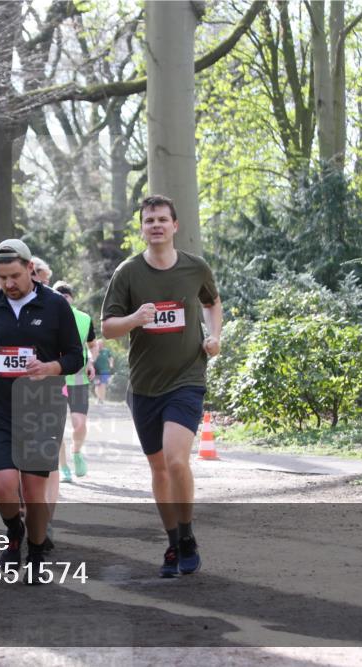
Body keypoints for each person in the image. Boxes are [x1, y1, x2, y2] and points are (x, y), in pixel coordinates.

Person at [101, 195, 223, 578]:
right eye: (149, 220)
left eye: (162, 219)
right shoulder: (128, 273)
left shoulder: (194, 268)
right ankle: (173, 541)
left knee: (175, 459)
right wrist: (135, 318)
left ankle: (187, 536)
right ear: (142, 228)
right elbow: (107, 327)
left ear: (175, 226)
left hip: (187, 377)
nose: (155, 225)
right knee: (158, 469)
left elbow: (213, 302)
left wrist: (215, 336)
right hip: (144, 386)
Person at [0, 239, 83, 581]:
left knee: (34, 494)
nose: (9, 284)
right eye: (2, 277)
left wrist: (50, 368)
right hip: (0, 408)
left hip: (41, 407)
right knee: (4, 487)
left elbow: (76, 356)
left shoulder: (55, 306)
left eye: (15, 276)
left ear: (31, 268)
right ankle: (13, 532)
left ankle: (35, 551)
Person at [50, 281, 97, 484]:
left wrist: (91, 361)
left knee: (79, 424)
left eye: (66, 294)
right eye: (58, 294)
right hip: (55, 379)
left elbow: (93, 345)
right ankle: (64, 468)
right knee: (57, 426)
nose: (62, 297)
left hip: (78, 377)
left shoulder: (84, 319)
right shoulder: (46, 318)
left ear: (72, 297)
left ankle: (76, 452)